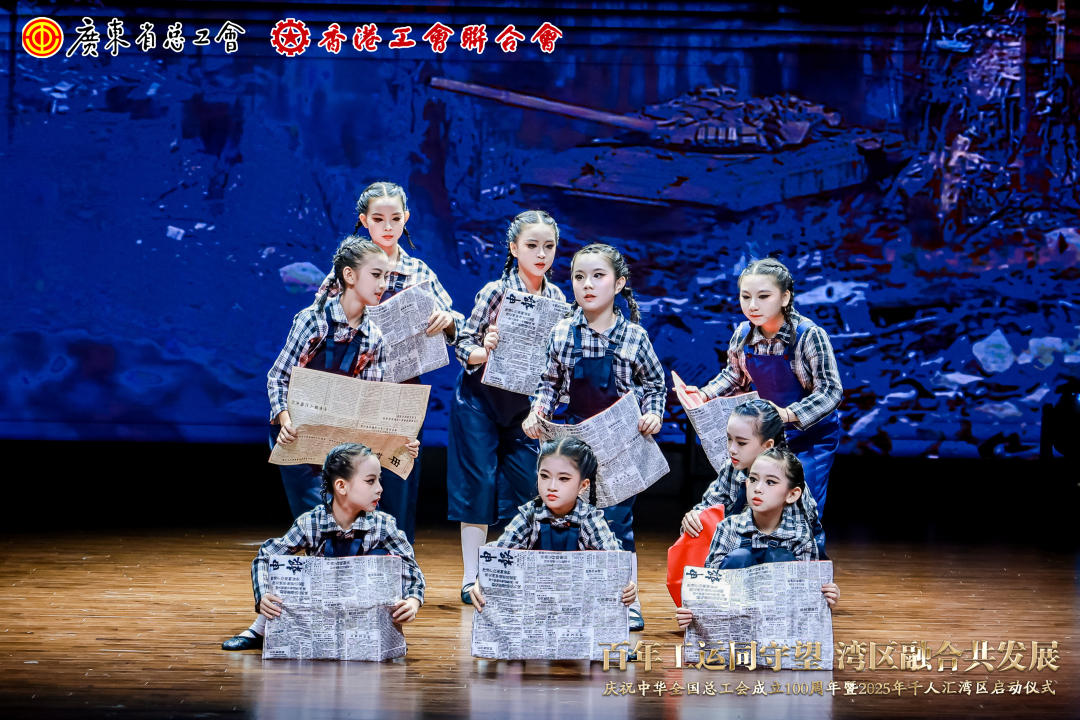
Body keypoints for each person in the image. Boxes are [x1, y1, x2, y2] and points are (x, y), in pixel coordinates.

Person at [522, 243, 666, 631]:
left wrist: (653, 413)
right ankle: (570, 600)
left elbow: (655, 384)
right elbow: (549, 384)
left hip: (619, 447)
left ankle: (627, 601)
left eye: (598, 276)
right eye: (579, 277)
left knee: (617, 524)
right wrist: (537, 412)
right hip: (574, 444)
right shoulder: (562, 333)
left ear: (618, 284)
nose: (587, 284)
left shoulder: (634, 337)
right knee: (568, 522)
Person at [316, 181, 463, 543]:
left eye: (395, 218)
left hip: (402, 391)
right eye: (378, 219)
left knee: (398, 482)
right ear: (364, 220)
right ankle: (347, 556)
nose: (387, 226)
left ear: (405, 219)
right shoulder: (346, 269)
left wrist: (448, 320)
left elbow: (456, 320)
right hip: (355, 389)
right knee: (352, 477)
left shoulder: (418, 271)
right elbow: (319, 321)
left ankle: (397, 559)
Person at [449, 211, 567, 604]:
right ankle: (471, 577)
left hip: (525, 406)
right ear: (514, 248)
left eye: (548, 246)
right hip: (479, 400)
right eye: (532, 245)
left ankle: (519, 568)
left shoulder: (557, 300)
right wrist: (485, 349)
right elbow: (463, 344)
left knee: (531, 484)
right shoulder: (495, 292)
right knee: (478, 485)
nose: (541, 254)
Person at [681, 258, 842, 543]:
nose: (752, 305)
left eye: (763, 296)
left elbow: (830, 391)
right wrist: (704, 394)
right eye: (746, 297)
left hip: (810, 437)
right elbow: (734, 376)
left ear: (785, 297)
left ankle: (807, 564)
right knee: (758, 502)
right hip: (766, 436)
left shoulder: (808, 336)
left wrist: (788, 414)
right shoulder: (743, 334)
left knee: (802, 506)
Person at [248, 444, 426, 651]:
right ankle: (260, 628)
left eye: (379, 480)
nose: (379, 488)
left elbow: (411, 568)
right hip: (318, 615)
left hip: (363, 618)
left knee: (382, 557)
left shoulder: (383, 525)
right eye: (370, 481)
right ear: (341, 486)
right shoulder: (311, 522)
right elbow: (267, 555)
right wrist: (263, 595)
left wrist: (412, 602)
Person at [675, 448, 839, 630]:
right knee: (740, 557)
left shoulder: (800, 536)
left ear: (792, 494)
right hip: (732, 625)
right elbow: (709, 588)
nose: (758, 488)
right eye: (753, 479)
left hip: (779, 630)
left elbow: (809, 596)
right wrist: (691, 614)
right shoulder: (727, 528)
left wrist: (827, 596)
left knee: (781, 558)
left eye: (770, 482)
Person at [468, 437, 636, 612]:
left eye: (563, 478)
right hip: (534, 604)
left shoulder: (589, 518)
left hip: (577, 605)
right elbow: (500, 552)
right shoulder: (530, 514)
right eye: (544, 476)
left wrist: (627, 584)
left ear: (583, 485)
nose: (552, 486)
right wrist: (481, 580)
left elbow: (614, 559)